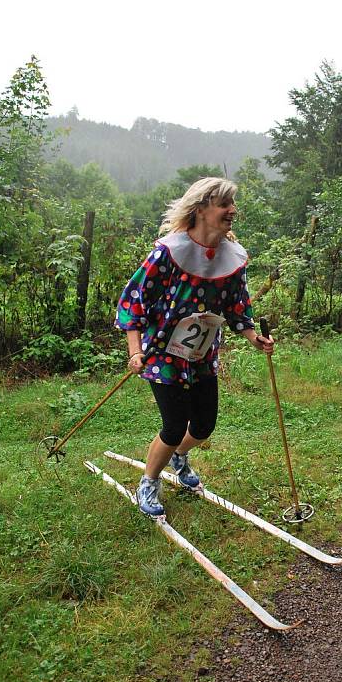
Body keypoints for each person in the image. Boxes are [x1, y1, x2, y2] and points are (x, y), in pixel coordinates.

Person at [115, 177, 274, 516]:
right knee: (174, 426)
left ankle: (178, 457)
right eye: (224, 204)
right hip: (162, 354)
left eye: (232, 204)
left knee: (203, 426)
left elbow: (237, 306)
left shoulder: (232, 258)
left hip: (202, 356)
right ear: (201, 208)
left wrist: (253, 338)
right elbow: (134, 301)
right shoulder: (169, 253)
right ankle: (149, 481)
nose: (233, 210)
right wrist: (134, 350)